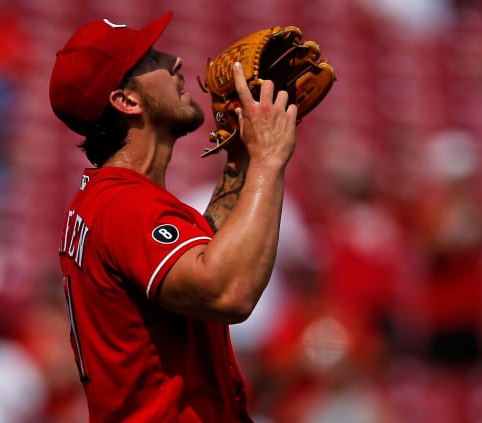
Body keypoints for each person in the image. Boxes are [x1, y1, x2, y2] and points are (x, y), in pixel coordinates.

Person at [48, 10, 298, 423]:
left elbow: (208, 256)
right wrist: (269, 160)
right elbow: (227, 291)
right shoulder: (124, 206)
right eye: (151, 58)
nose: (174, 61)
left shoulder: (109, 200)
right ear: (125, 100)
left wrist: (241, 160)